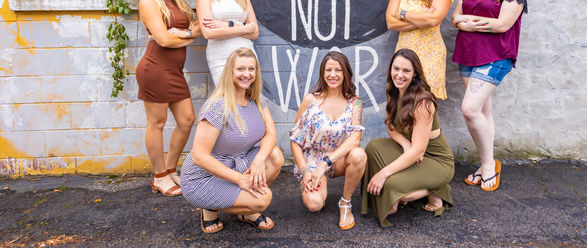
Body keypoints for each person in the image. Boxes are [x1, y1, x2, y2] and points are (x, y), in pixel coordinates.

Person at [451, 0, 527, 192]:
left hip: (496, 55)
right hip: (469, 53)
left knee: (469, 109)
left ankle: (487, 166)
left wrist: (470, 21)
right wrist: (468, 21)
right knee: (483, 112)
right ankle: (488, 164)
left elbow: (503, 24)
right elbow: (455, 17)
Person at [180, 47, 284, 233]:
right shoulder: (218, 107)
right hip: (204, 177)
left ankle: (246, 212)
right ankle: (211, 207)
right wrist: (240, 180)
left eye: (251, 69)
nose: (247, 74)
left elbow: (271, 134)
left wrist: (259, 160)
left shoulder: (256, 99)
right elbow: (200, 157)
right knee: (263, 199)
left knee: (274, 155)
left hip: (238, 163)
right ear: (230, 71)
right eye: (240, 69)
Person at [361, 49, 454, 228]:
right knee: (373, 147)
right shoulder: (393, 90)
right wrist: (405, 144)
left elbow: (419, 151)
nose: (399, 75)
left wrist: (383, 173)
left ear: (415, 74)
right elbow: (391, 126)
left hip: (436, 160)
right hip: (414, 151)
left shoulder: (423, 103)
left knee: (392, 186)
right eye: (396, 69)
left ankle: (437, 189)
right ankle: (422, 185)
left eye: (406, 71)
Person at [135, 0, 201, 197]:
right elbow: (162, 39)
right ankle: (159, 176)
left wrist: (185, 33)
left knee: (186, 121)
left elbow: (196, 28)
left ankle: (171, 168)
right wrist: (186, 35)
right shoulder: (148, 1)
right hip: (154, 68)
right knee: (157, 122)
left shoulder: (175, 0)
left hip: (174, 70)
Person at [289, 52, 366, 230]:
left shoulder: (355, 103)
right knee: (314, 204)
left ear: (346, 73)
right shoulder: (311, 100)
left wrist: (326, 163)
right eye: (328, 70)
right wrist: (305, 170)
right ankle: (313, 184)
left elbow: (355, 139)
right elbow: (295, 139)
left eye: (338, 70)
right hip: (313, 161)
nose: (333, 74)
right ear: (322, 73)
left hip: (336, 159)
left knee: (359, 155)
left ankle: (345, 203)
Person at [385, 0, 453, 100]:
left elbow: (433, 20)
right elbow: (390, 22)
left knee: (425, 103)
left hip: (430, 53)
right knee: (401, 101)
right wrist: (421, 19)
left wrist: (403, 14)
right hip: (405, 53)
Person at [196, 0, 258, 85]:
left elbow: (254, 32)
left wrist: (225, 25)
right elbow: (208, 33)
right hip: (220, 57)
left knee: (249, 99)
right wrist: (243, 27)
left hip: (246, 55)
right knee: (226, 101)